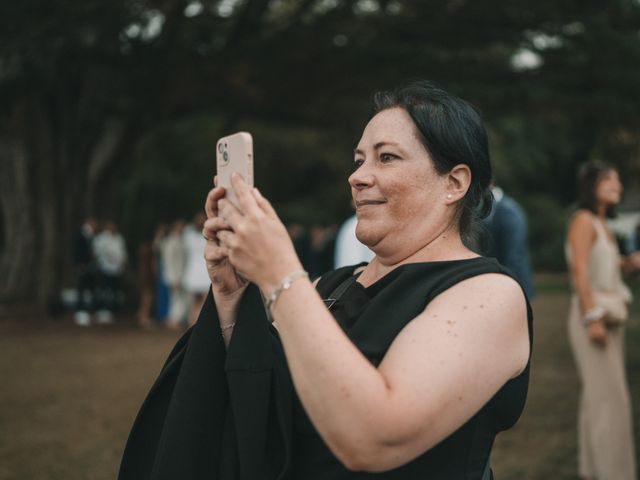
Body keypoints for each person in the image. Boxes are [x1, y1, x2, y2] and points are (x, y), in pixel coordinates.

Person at [119, 81, 532, 480]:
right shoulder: (327, 287)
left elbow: (374, 439)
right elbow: (262, 410)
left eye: (386, 158)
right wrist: (232, 294)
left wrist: (281, 273)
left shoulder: (488, 295)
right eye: (358, 161)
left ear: (454, 182)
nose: (357, 177)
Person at [565, 161, 640, 480]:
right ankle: (614, 473)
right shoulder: (583, 220)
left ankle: (593, 470)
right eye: (610, 179)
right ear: (591, 185)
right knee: (610, 400)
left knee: (599, 398)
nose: (617, 186)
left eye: (618, 181)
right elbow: (580, 271)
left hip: (610, 317)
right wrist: (591, 317)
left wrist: (627, 264)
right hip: (592, 317)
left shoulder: (601, 223)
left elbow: (601, 269)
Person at [481, 184, 535, 298]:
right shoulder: (488, 209)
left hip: (512, 287)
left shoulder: (509, 212)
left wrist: (504, 290)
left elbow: (514, 257)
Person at [93, 221, 128, 323]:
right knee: (104, 290)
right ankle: (102, 310)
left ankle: (111, 310)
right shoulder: (101, 238)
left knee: (114, 290)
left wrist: (123, 262)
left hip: (117, 269)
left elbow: (123, 252)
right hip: (105, 268)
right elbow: (97, 252)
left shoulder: (119, 238)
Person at [182, 212, 210, 326]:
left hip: (205, 271)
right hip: (192, 271)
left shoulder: (209, 235)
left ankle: (201, 324)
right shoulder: (188, 235)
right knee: (193, 301)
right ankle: (192, 323)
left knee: (205, 301)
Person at [73, 217, 98, 326]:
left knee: (91, 288)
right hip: (83, 266)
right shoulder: (81, 235)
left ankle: (90, 311)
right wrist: (80, 263)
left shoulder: (92, 236)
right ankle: (80, 311)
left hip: (90, 266)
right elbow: (77, 250)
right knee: (82, 288)